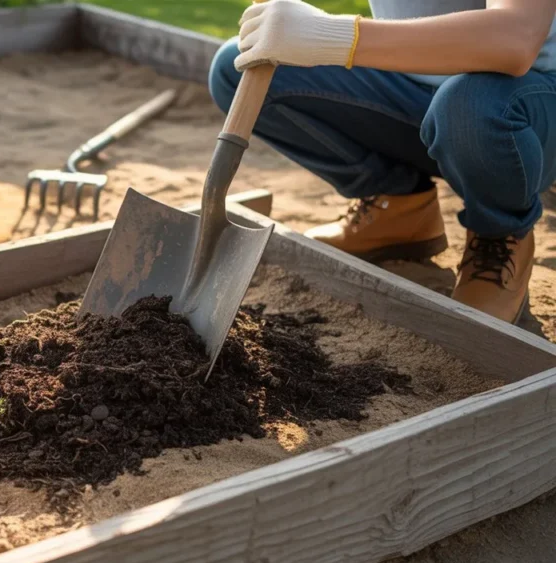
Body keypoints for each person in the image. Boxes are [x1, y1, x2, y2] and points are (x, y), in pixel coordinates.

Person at [209, 0, 556, 324]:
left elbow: (515, 39)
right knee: (236, 65)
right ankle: (400, 204)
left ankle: (499, 233)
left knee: (469, 107)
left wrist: (339, 36)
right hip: (415, 80)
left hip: (522, 103)